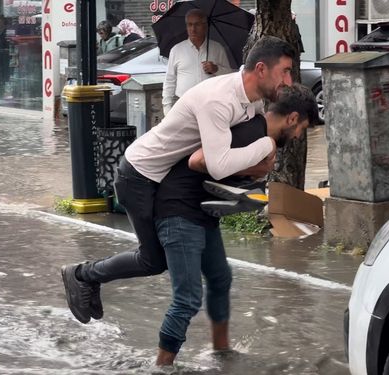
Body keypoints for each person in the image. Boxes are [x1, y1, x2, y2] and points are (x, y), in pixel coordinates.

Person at [60, 36, 294, 325]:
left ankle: (88, 277)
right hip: (139, 175)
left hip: (163, 177)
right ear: (261, 69)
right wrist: (267, 146)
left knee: (167, 263)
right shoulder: (219, 99)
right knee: (152, 260)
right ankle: (82, 275)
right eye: (284, 71)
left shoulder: (252, 101)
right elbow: (219, 165)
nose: (289, 80)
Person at [153, 84, 318, 366]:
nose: (299, 135)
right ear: (291, 119)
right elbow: (199, 160)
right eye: (301, 128)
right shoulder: (253, 134)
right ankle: (161, 366)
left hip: (201, 211)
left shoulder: (260, 136)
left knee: (220, 277)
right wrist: (256, 168)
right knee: (187, 299)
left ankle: (221, 351)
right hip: (178, 209)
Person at [162, 9, 232, 115]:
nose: (193, 29)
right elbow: (169, 81)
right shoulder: (177, 50)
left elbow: (229, 77)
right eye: (189, 25)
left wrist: (216, 69)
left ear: (205, 26)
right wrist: (167, 109)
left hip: (211, 106)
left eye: (197, 24)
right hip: (184, 106)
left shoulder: (217, 48)